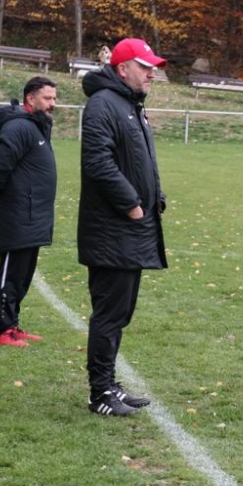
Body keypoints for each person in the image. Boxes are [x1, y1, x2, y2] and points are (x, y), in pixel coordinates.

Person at [79, 38, 168, 417]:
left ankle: (110, 384)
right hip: (111, 230)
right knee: (109, 313)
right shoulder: (103, 105)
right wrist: (132, 203)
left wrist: (155, 195)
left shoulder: (129, 105)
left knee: (120, 313)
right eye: (145, 67)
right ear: (122, 68)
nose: (152, 74)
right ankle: (100, 392)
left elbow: (140, 159)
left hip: (131, 229)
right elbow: (98, 162)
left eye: (152, 67)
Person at [0, 77, 58, 347]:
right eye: (47, 98)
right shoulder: (19, 127)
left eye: (54, 98)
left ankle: (13, 325)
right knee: (12, 272)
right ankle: (4, 330)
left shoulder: (36, 125)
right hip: (20, 212)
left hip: (35, 213)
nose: (53, 103)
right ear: (30, 98)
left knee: (23, 274)